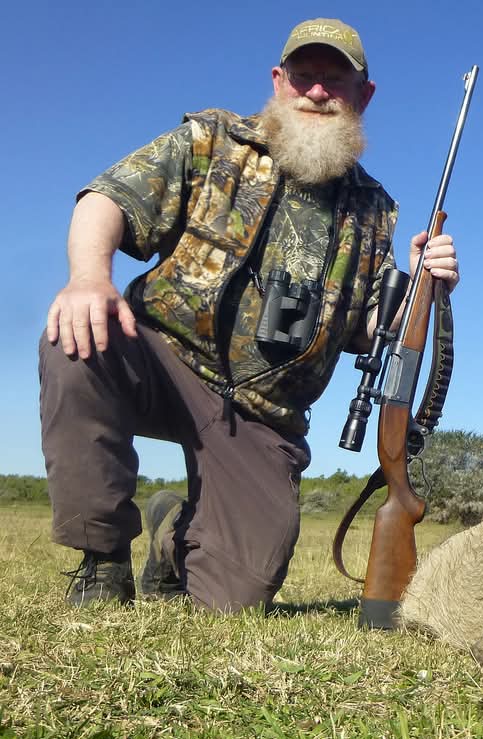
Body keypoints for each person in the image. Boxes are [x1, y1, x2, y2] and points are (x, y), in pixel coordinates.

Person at [39, 18, 460, 611]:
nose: (317, 91)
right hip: (164, 361)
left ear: (363, 96)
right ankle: (102, 559)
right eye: (304, 75)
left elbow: (370, 331)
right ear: (279, 81)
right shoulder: (212, 140)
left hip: (265, 413)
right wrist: (88, 279)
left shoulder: (374, 210)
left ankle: (172, 537)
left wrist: (421, 287)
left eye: (335, 80)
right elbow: (106, 198)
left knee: (240, 592)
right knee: (79, 333)